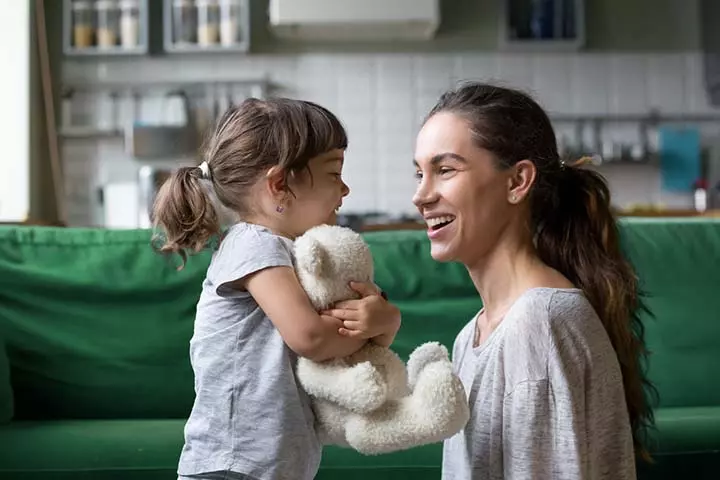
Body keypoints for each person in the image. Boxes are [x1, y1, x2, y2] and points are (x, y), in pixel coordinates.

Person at [411, 82, 655, 479]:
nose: (421, 195)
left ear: (517, 182)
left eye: (445, 170)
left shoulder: (538, 323)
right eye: (420, 172)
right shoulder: (471, 336)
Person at [152, 97, 402, 480]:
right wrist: (377, 325)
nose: (346, 189)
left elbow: (331, 332)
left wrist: (381, 320)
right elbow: (312, 337)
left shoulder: (292, 251)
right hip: (232, 464)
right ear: (280, 184)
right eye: (335, 173)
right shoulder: (253, 244)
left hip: (273, 463)